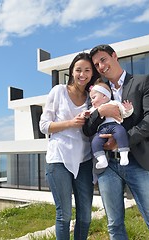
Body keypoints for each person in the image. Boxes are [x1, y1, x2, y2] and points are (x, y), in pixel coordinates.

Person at [83, 44, 149, 239]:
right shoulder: (98, 91)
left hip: (138, 161)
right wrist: (100, 111)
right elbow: (87, 128)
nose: (100, 66)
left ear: (114, 56)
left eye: (103, 59)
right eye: (97, 64)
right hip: (107, 166)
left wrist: (122, 141)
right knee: (114, 226)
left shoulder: (142, 82)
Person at [39, 52, 99, 240]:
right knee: (64, 215)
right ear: (72, 71)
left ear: (92, 73)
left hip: (84, 160)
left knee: (86, 216)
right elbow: (43, 126)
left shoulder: (92, 96)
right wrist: (70, 123)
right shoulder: (58, 91)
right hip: (59, 159)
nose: (83, 74)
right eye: (78, 70)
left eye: (87, 70)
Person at [85, 78, 133, 169]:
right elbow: (90, 117)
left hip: (115, 125)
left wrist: (129, 109)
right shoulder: (95, 108)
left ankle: (124, 154)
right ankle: (102, 160)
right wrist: (86, 114)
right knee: (95, 142)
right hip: (102, 129)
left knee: (121, 133)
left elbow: (124, 113)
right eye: (91, 99)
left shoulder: (115, 103)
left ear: (104, 96)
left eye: (94, 97)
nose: (91, 101)